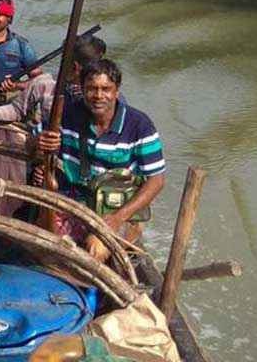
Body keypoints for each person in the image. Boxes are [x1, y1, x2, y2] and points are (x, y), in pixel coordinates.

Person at [36, 58, 165, 262]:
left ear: (117, 91)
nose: (98, 96)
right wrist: (40, 142)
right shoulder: (65, 115)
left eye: (106, 89)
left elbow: (156, 180)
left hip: (116, 209)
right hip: (72, 203)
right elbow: (33, 146)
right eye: (91, 89)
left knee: (95, 249)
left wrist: (117, 218)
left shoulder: (139, 125)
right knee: (44, 242)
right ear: (82, 89)